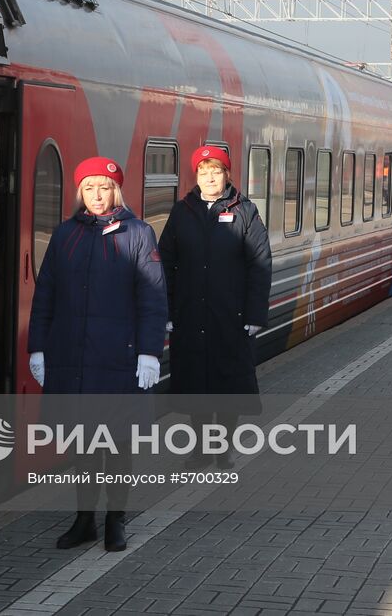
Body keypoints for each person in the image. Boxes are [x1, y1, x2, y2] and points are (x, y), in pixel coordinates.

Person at [28, 156, 167, 553]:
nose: (97, 195)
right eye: (89, 188)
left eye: (104, 188)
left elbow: (153, 297)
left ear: (116, 191)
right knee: (83, 445)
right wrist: (37, 346)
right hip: (73, 357)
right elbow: (45, 296)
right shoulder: (65, 234)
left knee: (118, 443)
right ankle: (84, 519)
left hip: (120, 358)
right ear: (80, 193)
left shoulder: (139, 234)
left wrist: (149, 353)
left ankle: (116, 520)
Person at [159, 145, 273, 469]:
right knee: (196, 385)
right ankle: (198, 450)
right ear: (196, 176)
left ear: (227, 174)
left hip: (231, 315)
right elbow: (164, 261)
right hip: (190, 313)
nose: (210, 177)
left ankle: (222, 449)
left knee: (228, 385)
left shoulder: (245, 211)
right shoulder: (182, 212)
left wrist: (254, 314)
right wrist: (167, 310)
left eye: (216, 171)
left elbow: (260, 263)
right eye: (203, 171)